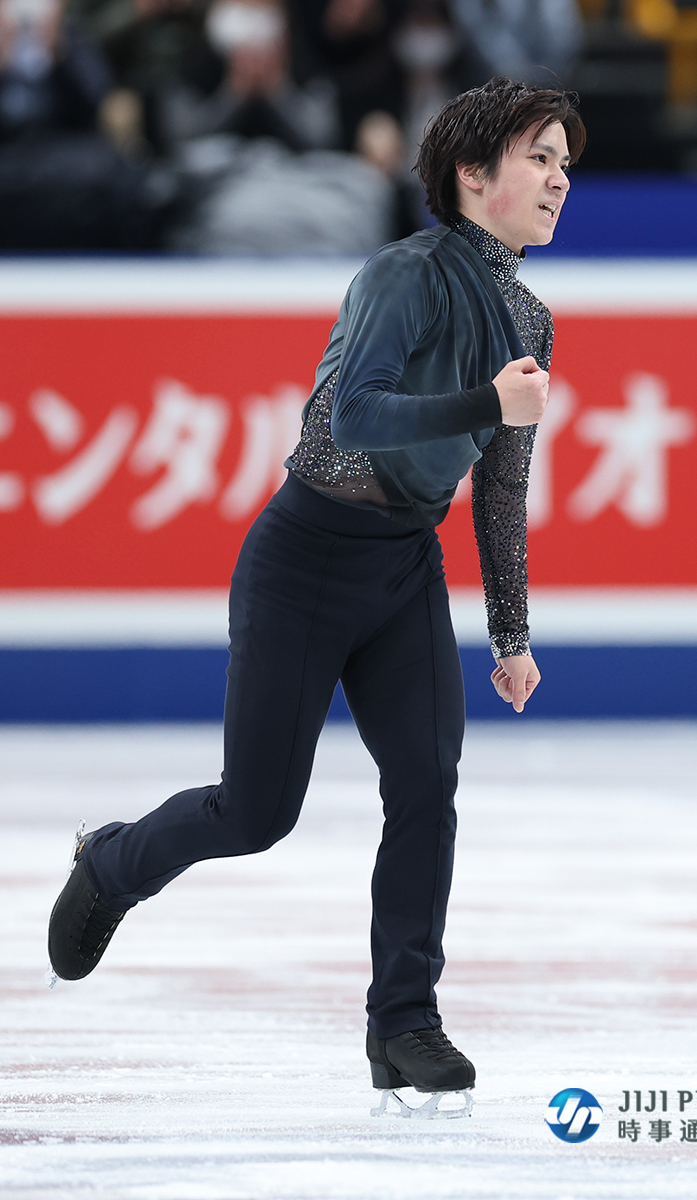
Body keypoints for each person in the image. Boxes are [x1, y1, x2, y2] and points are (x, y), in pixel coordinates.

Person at [48, 76, 585, 1109]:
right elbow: (354, 418)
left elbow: (500, 485)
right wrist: (486, 399)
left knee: (426, 785)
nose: (561, 179)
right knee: (256, 811)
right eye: (539, 157)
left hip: (403, 568)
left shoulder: (530, 319)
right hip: (305, 558)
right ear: (474, 175)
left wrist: (510, 633)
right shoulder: (404, 274)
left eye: (566, 162)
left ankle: (403, 1022)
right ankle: (111, 865)